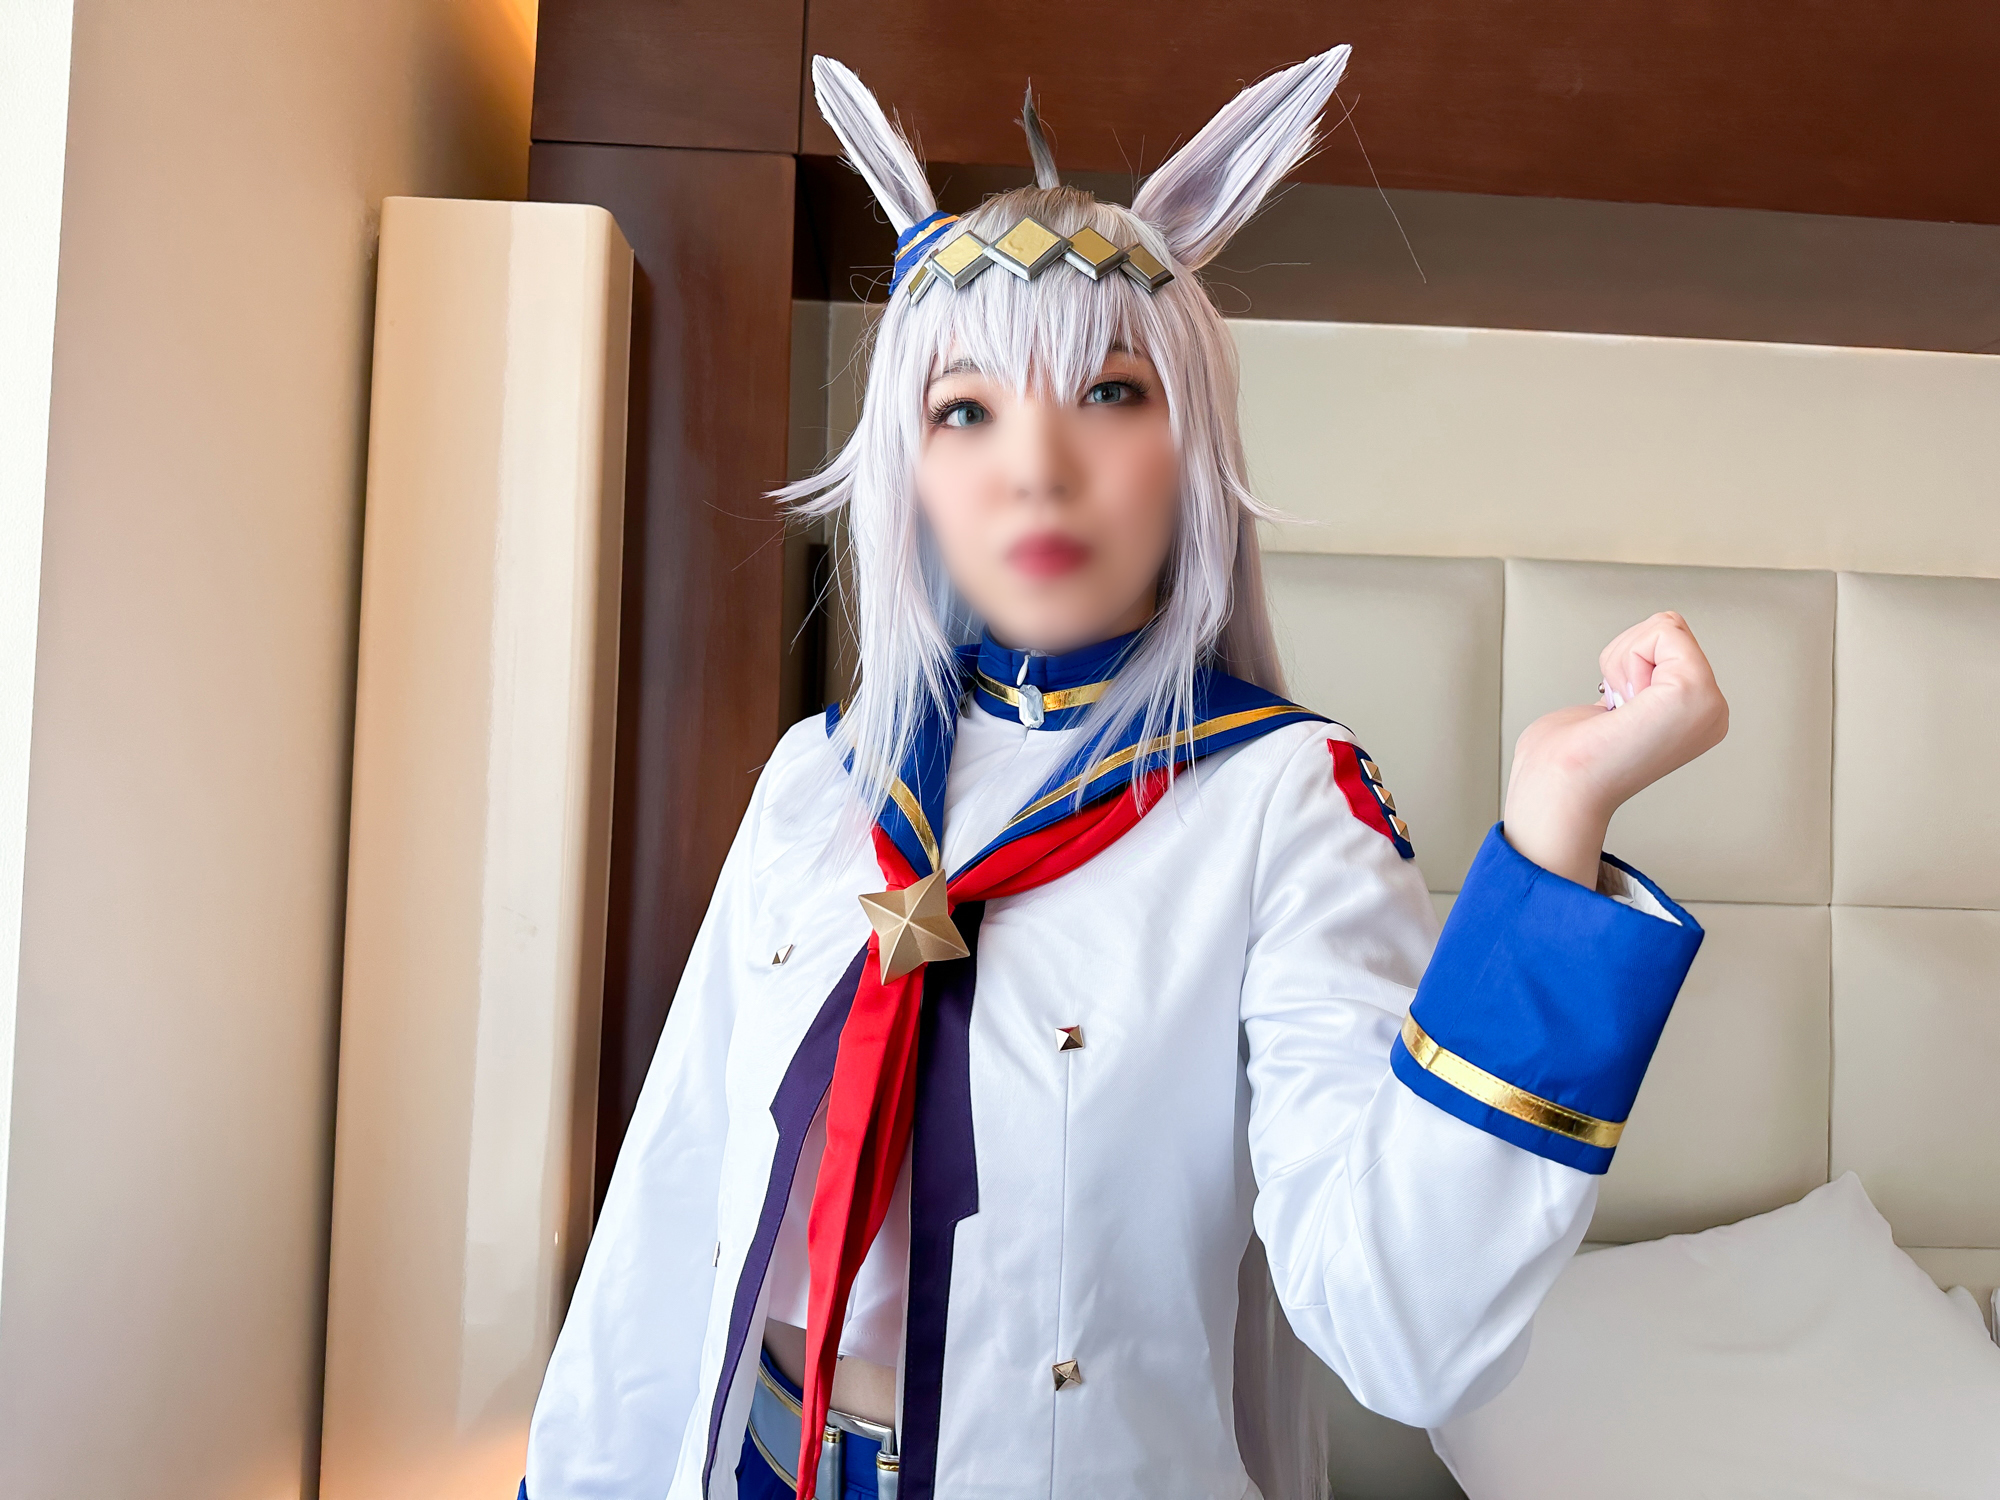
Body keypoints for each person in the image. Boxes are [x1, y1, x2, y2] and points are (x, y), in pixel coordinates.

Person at [522, 46, 1729, 1500]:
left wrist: (1553, 835)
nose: (1037, 467)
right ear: (907, 465)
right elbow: (674, 1203)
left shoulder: (1283, 797)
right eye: (965, 409)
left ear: (1192, 447)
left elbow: (1404, 1334)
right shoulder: (817, 779)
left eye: (1107, 393)